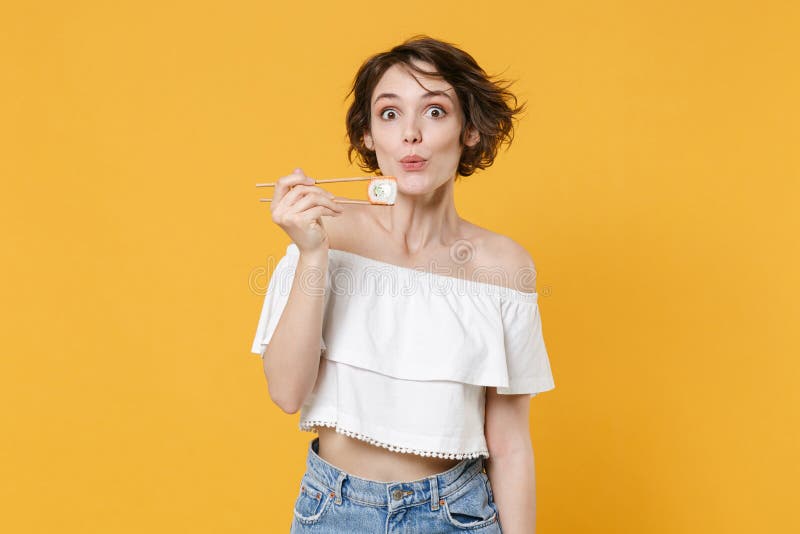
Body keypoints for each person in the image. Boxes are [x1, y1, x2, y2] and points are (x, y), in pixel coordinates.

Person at [251, 35, 555, 533]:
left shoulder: (505, 264)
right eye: (390, 114)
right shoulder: (323, 231)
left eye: (435, 112)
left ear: (469, 131)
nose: (410, 134)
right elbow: (287, 392)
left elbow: (510, 443)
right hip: (334, 512)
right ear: (369, 136)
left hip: (458, 515)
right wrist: (311, 254)